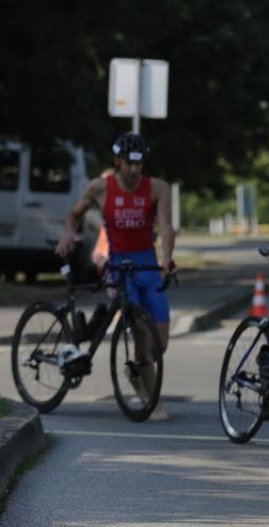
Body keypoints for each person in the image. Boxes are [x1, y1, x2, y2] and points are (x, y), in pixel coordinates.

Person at [55, 132, 176, 421]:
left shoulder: (158, 188)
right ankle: (149, 398)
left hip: (147, 263)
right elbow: (74, 215)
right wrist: (69, 236)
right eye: (129, 164)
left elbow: (167, 226)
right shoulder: (100, 187)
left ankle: (139, 373)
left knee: (160, 341)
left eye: (139, 164)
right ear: (118, 161)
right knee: (140, 331)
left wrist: (167, 257)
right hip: (119, 265)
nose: (134, 170)